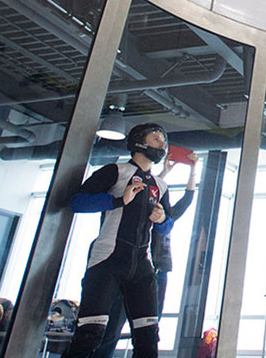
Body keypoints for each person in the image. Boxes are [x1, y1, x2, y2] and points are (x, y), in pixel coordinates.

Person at [62, 123, 174, 358]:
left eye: (163, 140)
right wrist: (117, 201)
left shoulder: (161, 185)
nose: (162, 144)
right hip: (107, 261)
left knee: (148, 339)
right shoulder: (115, 171)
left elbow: (167, 227)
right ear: (139, 142)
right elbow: (77, 203)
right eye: (156, 138)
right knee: (89, 336)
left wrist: (162, 218)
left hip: (142, 267)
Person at [90, 152, 199, 358]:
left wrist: (193, 172)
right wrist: (165, 172)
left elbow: (183, 202)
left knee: (146, 331)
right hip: (124, 264)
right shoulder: (131, 209)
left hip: (153, 271)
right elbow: (146, 189)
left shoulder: (162, 216)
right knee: (111, 326)